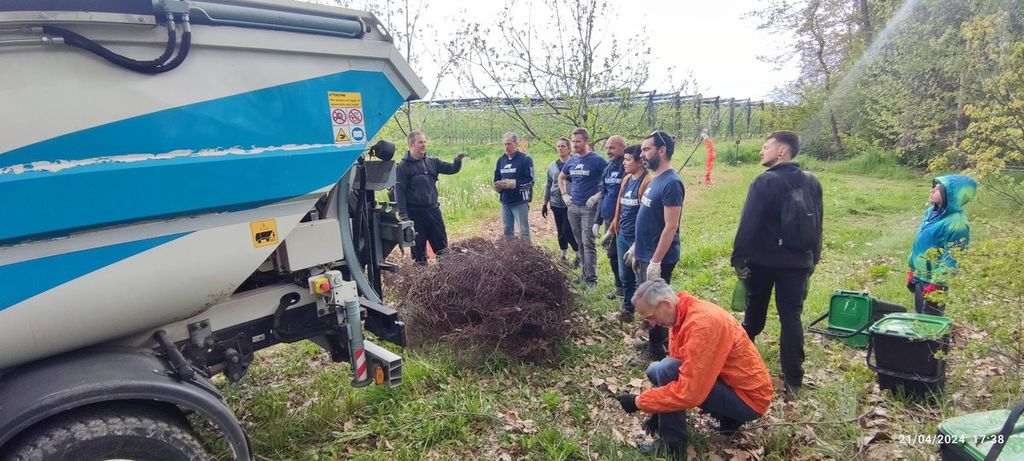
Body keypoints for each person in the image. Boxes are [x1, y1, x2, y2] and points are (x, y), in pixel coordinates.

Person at [614, 280, 773, 457]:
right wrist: (658, 412)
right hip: (731, 386)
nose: (651, 324)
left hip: (749, 401)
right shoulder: (680, 316)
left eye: (651, 316)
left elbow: (689, 393)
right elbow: (682, 367)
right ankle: (729, 420)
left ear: (666, 304)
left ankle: (672, 447)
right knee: (655, 370)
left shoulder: (702, 324)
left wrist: (639, 402)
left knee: (666, 369)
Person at [730, 130, 822, 396]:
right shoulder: (812, 181)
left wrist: (739, 258)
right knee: (791, 318)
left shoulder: (764, 181)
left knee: (753, 317)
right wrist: (813, 259)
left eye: (766, 146)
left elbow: (748, 223)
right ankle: (794, 381)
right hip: (799, 262)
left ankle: (740, 366)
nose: (761, 150)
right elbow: (818, 224)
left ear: (782, 151)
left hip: (763, 262)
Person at [624, 130, 684, 361]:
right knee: (647, 301)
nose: (642, 154)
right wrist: (636, 245)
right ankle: (654, 340)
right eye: (641, 150)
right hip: (645, 250)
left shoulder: (672, 183)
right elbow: (650, 218)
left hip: (659, 256)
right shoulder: (655, 179)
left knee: (656, 304)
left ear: (662, 150)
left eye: (646, 149)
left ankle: (657, 351)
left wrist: (656, 261)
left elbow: (671, 226)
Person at [906, 175, 976, 315]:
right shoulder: (932, 214)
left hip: (935, 280)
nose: (931, 191)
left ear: (949, 195)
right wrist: (912, 268)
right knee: (919, 317)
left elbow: (952, 257)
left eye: (937, 189)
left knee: (931, 320)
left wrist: (938, 283)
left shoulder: (957, 223)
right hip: (921, 275)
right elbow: (922, 244)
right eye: (933, 187)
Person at [394, 131, 466, 264]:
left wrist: (458, 160)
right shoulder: (403, 167)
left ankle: (445, 273)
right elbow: (399, 191)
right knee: (419, 251)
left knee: (442, 247)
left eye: (425, 141)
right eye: (420, 142)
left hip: (433, 211)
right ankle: (422, 275)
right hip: (414, 214)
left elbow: (452, 169)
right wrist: (403, 215)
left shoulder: (433, 162)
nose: (424, 144)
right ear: (411, 144)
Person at [558, 127, 608, 289]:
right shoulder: (572, 161)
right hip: (573, 207)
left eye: (578, 141)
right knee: (579, 242)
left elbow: (609, 180)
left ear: (586, 141)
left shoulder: (598, 160)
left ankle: (592, 279)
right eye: (573, 141)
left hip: (589, 208)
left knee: (588, 243)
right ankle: (584, 274)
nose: (574, 144)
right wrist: (564, 194)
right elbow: (561, 177)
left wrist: (598, 195)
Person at [606, 145, 650, 322]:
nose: (624, 163)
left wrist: (638, 242)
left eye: (628, 159)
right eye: (624, 159)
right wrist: (611, 230)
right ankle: (627, 311)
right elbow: (620, 208)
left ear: (639, 162)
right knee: (625, 276)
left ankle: (646, 318)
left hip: (637, 239)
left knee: (641, 279)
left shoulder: (648, 182)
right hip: (622, 235)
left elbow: (648, 216)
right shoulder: (626, 180)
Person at [596, 135, 627, 299]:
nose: (608, 151)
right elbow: (603, 193)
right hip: (608, 219)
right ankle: (619, 286)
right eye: (607, 148)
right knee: (612, 254)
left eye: (612, 148)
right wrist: (597, 220)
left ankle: (631, 289)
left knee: (626, 256)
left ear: (623, 148)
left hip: (624, 220)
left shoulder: (628, 167)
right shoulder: (608, 167)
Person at [493, 132, 535, 243]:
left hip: (520, 201)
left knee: (524, 232)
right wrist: (497, 186)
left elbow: (531, 182)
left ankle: (527, 252)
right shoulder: (501, 160)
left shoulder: (525, 159)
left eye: (509, 144)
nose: (507, 147)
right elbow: (496, 178)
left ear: (516, 144)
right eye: (505, 144)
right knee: (507, 231)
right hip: (505, 201)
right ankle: (510, 252)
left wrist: (513, 184)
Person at [542, 137, 580, 261]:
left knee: (567, 230)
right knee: (560, 230)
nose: (560, 148)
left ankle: (578, 254)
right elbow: (549, 184)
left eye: (563, 146)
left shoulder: (576, 164)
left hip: (570, 203)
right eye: (558, 146)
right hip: (555, 203)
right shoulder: (552, 166)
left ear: (569, 149)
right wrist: (545, 203)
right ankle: (563, 255)